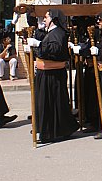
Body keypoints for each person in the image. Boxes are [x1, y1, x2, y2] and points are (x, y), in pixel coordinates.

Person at [26, 9, 79, 142]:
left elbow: (54, 50)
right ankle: (57, 129)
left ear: (54, 19)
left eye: (46, 17)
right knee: (48, 103)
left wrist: (39, 44)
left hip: (52, 74)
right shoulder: (51, 32)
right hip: (46, 73)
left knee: (50, 104)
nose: (44, 20)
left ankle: (49, 132)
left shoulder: (58, 33)